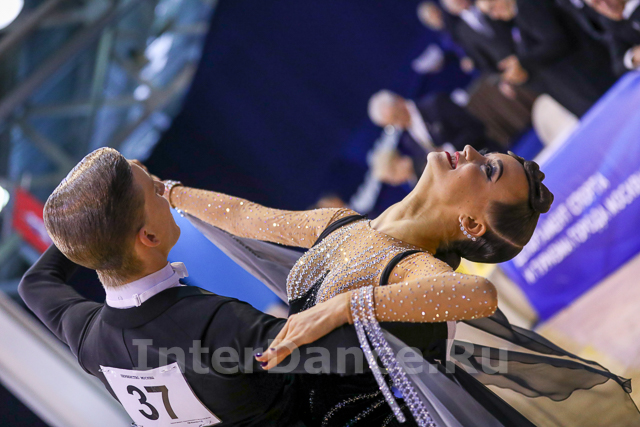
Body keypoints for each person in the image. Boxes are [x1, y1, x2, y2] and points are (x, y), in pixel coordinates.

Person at [164, 146, 639, 426]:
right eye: (485, 154)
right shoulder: (340, 223)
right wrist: (167, 191)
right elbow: (250, 218)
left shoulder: (413, 266)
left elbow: (478, 295)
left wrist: (348, 304)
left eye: (487, 169)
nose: (470, 151)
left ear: (472, 223)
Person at [18, 148, 374, 427]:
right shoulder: (212, 324)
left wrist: (93, 229)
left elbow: (34, 283)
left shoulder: (88, 340)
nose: (165, 194)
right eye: (156, 193)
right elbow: (353, 352)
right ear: (149, 236)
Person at [476, 0, 615, 117]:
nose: (494, 16)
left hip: (590, 77)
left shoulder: (529, 6)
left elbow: (556, 41)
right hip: (578, 86)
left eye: (492, 8)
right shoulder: (518, 17)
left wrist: (522, 62)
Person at [586, 0, 640, 75]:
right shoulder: (610, 22)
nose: (606, 5)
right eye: (597, 3)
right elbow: (618, 64)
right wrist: (634, 56)